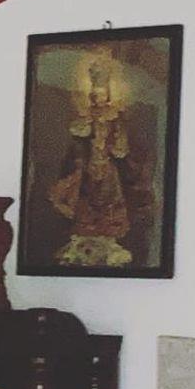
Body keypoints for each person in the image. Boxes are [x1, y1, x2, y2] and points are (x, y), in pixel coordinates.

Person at [45, 48, 149, 269]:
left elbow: (122, 149)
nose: (98, 98)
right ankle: (83, 235)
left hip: (108, 166)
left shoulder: (116, 119)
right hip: (87, 166)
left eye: (102, 94)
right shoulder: (84, 117)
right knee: (83, 196)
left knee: (111, 196)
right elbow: (78, 139)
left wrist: (114, 142)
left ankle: (108, 236)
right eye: (94, 94)